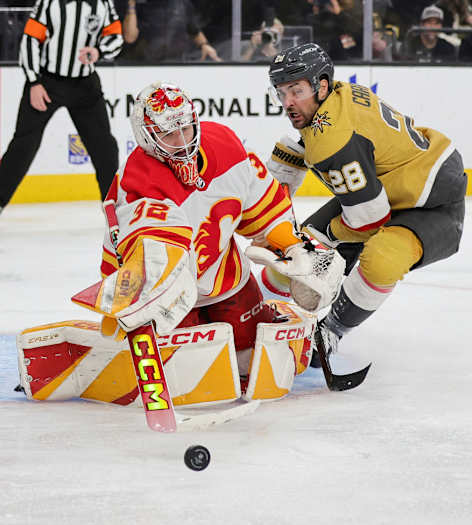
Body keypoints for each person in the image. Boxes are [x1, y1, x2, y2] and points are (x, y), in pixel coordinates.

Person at [81, 81, 344, 384]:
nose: (182, 141)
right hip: (170, 296)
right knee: (192, 372)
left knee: (255, 360)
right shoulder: (139, 182)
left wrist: (295, 248)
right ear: (147, 138)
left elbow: (265, 208)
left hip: (226, 279)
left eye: (186, 128)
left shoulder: (226, 146)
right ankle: (111, 355)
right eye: (168, 134)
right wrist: (138, 303)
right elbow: (152, 258)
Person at [265, 43, 467, 360]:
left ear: (321, 85)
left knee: (382, 258)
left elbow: (368, 220)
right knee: (294, 253)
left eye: (296, 90)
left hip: (433, 203)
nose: (288, 103)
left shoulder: (335, 138)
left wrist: (327, 239)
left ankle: (331, 330)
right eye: (281, 92)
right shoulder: (337, 96)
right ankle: (259, 311)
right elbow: (308, 145)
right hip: (383, 190)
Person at [0, 0, 122, 213]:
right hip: (48, 82)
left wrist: (98, 51)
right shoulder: (49, 2)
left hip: (85, 84)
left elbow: (116, 37)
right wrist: (33, 82)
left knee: (105, 147)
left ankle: (115, 208)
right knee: (24, 144)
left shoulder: (102, 3)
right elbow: (30, 39)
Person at [118, 0, 221, 62]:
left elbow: (192, 28)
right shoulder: (137, 5)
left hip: (176, 63)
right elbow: (130, 37)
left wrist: (204, 44)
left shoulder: (180, 3)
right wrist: (131, 6)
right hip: (142, 64)